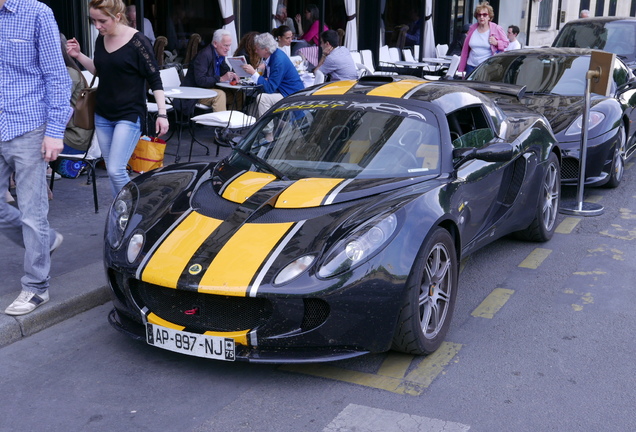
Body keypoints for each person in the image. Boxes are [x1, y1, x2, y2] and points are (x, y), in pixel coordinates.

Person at [0, 0, 72, 315]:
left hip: (28, 124)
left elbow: (57, 76)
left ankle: (36, 287)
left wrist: (55, 131)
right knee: (28, 220)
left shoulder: (37, 13)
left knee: (32, 212)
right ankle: (45, 241)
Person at [67, 0, 169, 197]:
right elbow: (99, 70)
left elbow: (155, 79)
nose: (97, 26)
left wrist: (162, 114)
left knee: (115, 169)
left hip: (129, 114)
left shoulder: (138, 41)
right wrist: (78, 55)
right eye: (93, 21)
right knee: (114, 172)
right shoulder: (101, 37)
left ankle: (130, 211)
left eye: (102, 21)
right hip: (103, 113)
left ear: (118, 17)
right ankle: (121, 214)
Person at [241, 33, 304, 117]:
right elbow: (268, 80)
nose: (256, 51)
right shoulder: (273, 55)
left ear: (266, 49)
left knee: (262, 99)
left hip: (290, 94)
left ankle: (267, 129)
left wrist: (254, 73)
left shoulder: (278, 60)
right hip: (284, 91)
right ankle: (269, 125)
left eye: (257, 49)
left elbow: (270, 88)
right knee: (251, 109)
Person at [181, 29, 240, 113]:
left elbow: (225, 71)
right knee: (220, 95)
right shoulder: (204, 55)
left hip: (209, 89)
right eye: (225, 45)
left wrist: (231, 75)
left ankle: (234, 122)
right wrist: (220, 79)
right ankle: (221, 125)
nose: (228, 49)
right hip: (195, 92)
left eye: (229, 46)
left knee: (238, 94)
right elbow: (200, 80)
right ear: (215, 44)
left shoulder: (220, 54)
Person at [60, 34, 94, 155]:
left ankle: (48, 170)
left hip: (74, 139)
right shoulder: (69, 71)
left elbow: (57, 105)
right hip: (74, 136)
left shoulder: (68, 74)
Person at [458, 2, 508, 76]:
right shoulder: (472, 29)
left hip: (487, 66)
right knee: (469, 87)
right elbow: (465, 50)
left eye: (484, 15)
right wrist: (461, 68)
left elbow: (506, 43)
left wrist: (497, 43)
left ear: (489, 17)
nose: (482, 17)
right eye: (479, 15)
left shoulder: (496, 28)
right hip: (470, 65)